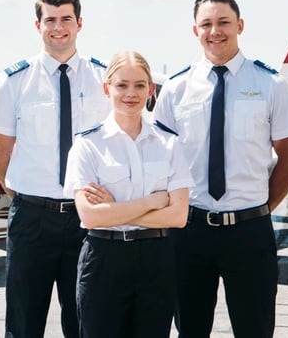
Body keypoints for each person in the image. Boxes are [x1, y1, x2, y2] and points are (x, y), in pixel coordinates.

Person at [153, 0, 288, 338]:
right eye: (206, 24)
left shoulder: (270, 84)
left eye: (223, 22)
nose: (215, 31)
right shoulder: (176, 90)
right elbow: (160, 162)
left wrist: (261, 209)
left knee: (255, 328)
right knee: (190, 329)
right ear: (195, 31)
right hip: (189, 232)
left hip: (249, 232)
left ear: (240, 25)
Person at [0, 0, 111, 338]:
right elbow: (0, 149)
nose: (59, 27)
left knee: (85, 322)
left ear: (79, 23)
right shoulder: (15, 81)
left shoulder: (103, 78)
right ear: (38, 25)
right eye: (50, 19)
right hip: (32, 220)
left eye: (66, 19)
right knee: (24, 322)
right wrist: (23, 196)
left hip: (86, 218)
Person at [63, 51, 194, 338]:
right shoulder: (88, 146)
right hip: (103, 260)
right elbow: (90, 216)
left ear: (151, 90)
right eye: (122, 85)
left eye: (139, 85)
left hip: (156, 259)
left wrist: (115, 208)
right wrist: (151, 202)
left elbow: (178, 215)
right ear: (107, 88)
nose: (131, 94)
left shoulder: (169, 144)